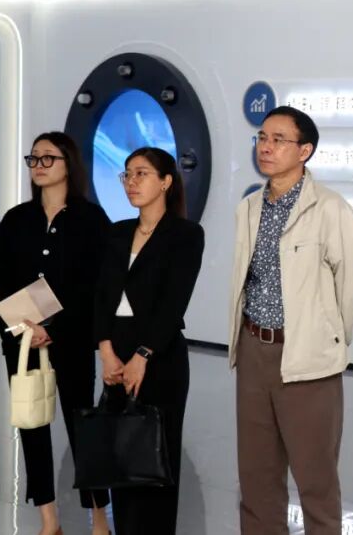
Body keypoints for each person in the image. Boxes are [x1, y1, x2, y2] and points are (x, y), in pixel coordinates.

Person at [228, 106, 353, 534]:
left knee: (315, 480)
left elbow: (352, 283)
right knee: (256, 477)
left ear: (304, 151)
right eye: (262, 138)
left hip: (307, 357)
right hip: (254, 350)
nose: (266, 147)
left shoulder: (330, 208)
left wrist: (328, 339)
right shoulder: (249, 208)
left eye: (278, 140)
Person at [0, 132, 112, 535]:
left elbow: (99, 285)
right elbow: (0, 281)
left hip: (73, 339)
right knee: (32, 425)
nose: (39, 165)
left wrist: (55, 328)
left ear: (69, 164)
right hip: (23, 341)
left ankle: (99, 519)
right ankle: (49, 519)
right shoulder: (16, 220)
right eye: (34, 158)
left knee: (83, 427)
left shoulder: (91, 220)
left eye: (48, 158)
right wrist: (22, 327)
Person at [93, 147, 204, 535]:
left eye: (141, 173)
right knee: (121, 456)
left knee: (158, 457)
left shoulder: (185, 235)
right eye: (127, 174)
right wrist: (106, 350)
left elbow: (174, 302)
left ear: (166, 181)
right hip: (116, 354)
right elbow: (101, 296)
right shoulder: (118, 231)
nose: (131, 182)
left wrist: (142, 354)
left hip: (160, 357)